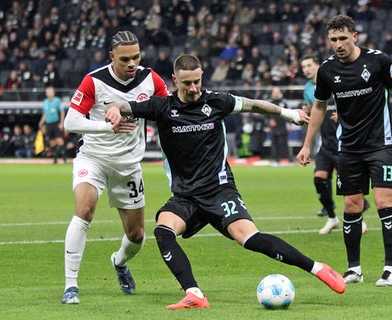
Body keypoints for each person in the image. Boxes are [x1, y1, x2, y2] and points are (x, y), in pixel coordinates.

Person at [105, 54, 345, 310]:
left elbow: (253, 105)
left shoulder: (217, 101)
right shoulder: (162, 107)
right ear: (175, 80)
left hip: (219, 191)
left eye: (197, 81)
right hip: (185, 196)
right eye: (187, 83)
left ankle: (318, 268)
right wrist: (113, 108)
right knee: (163, 231)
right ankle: (194, 293)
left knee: (250, 239)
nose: (194, 88)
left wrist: (287, 113)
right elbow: (123, 105)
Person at [297, 15, 392, 287]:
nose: (338, 44)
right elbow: (319, 107)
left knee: (383, 202)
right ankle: (354, 268)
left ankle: (390, 269)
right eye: (333, 39)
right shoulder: (327, 70)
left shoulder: (378, 61)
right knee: (351, 206)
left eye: (343, 38)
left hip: (381, 145)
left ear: (355, 37)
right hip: (349, 149)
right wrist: (307, 144)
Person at [61, 30, 169, 304]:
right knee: (84, 210)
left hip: (129, 165)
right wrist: (106, 127)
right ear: (112, 57)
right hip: (93, 158)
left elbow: (166, 110)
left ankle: (119, 262)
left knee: (136, 235)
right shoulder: (94, 81)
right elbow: (70, 122)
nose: (132, 63)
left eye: (136, 57)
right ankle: (70, 286)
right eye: (125, 59)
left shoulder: (150, 79)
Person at [300, 54, 371, 234]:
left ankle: (359, 219)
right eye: (303, 67)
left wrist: (344, 113)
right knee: (319, 179)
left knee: (348, 183)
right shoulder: (308, 89)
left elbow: (354, 100)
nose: (306, 69)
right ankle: (332, 218)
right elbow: (316, 110)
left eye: (309, 65)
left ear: (318, 66)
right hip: (326, 142)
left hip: (344, 141)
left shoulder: (333, 80)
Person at [38, 86, 65, 164]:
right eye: (48, 91)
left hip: (55, 123)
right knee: (52, 142)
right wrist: (41, 122)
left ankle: (64, 157)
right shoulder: (45, 102)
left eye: (50, 91)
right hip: (48, 123)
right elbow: (45, 114)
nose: (49, 93)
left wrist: (61, 122)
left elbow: (62, 112)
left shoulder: (57, 100)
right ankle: (55, 158)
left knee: (59, 140)